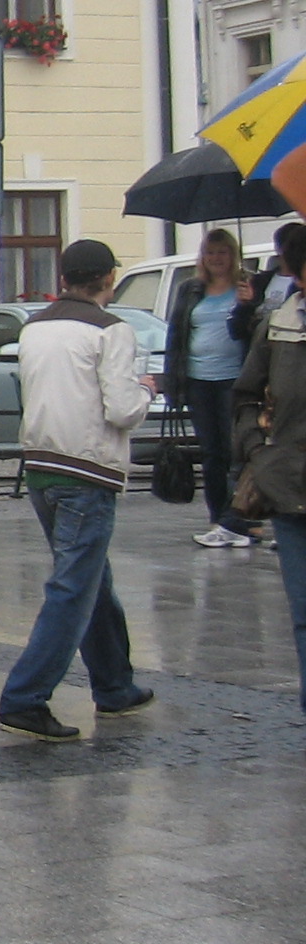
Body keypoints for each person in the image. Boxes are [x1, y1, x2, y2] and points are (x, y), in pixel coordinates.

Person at [0, 239, 155, 740]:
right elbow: (122, 409)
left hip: (41, 464)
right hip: (87, 469)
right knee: (73, 589)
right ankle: (25, 697)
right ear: (108, 279)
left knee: (91, 581)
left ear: (64, 277)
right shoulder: (113, 330)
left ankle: (114, 686)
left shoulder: (36, 326)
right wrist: (148, 388)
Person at [233, 285, 306, 710]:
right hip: (286, 484)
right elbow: (245, 395)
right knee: (302, 612)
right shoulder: (279, 327)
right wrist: (257, 451)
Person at [169, 228, 258, 547]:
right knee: (211, 453)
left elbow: (250, 332)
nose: (216, 258)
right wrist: (173, 385)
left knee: (237, 451)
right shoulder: (191, 290)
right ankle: (218, 516)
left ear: (233, 255)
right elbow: (176, 336)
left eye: (222, 252)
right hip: (198, 380)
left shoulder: (246, 287)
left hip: (234, 379)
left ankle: (239, 519)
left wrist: (247, 305)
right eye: (210, 252)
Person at [234, 222, 306, 345]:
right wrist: (245, 305)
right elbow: (237, 331)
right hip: (259, 350)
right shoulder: (259, 281)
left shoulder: (300, 287)